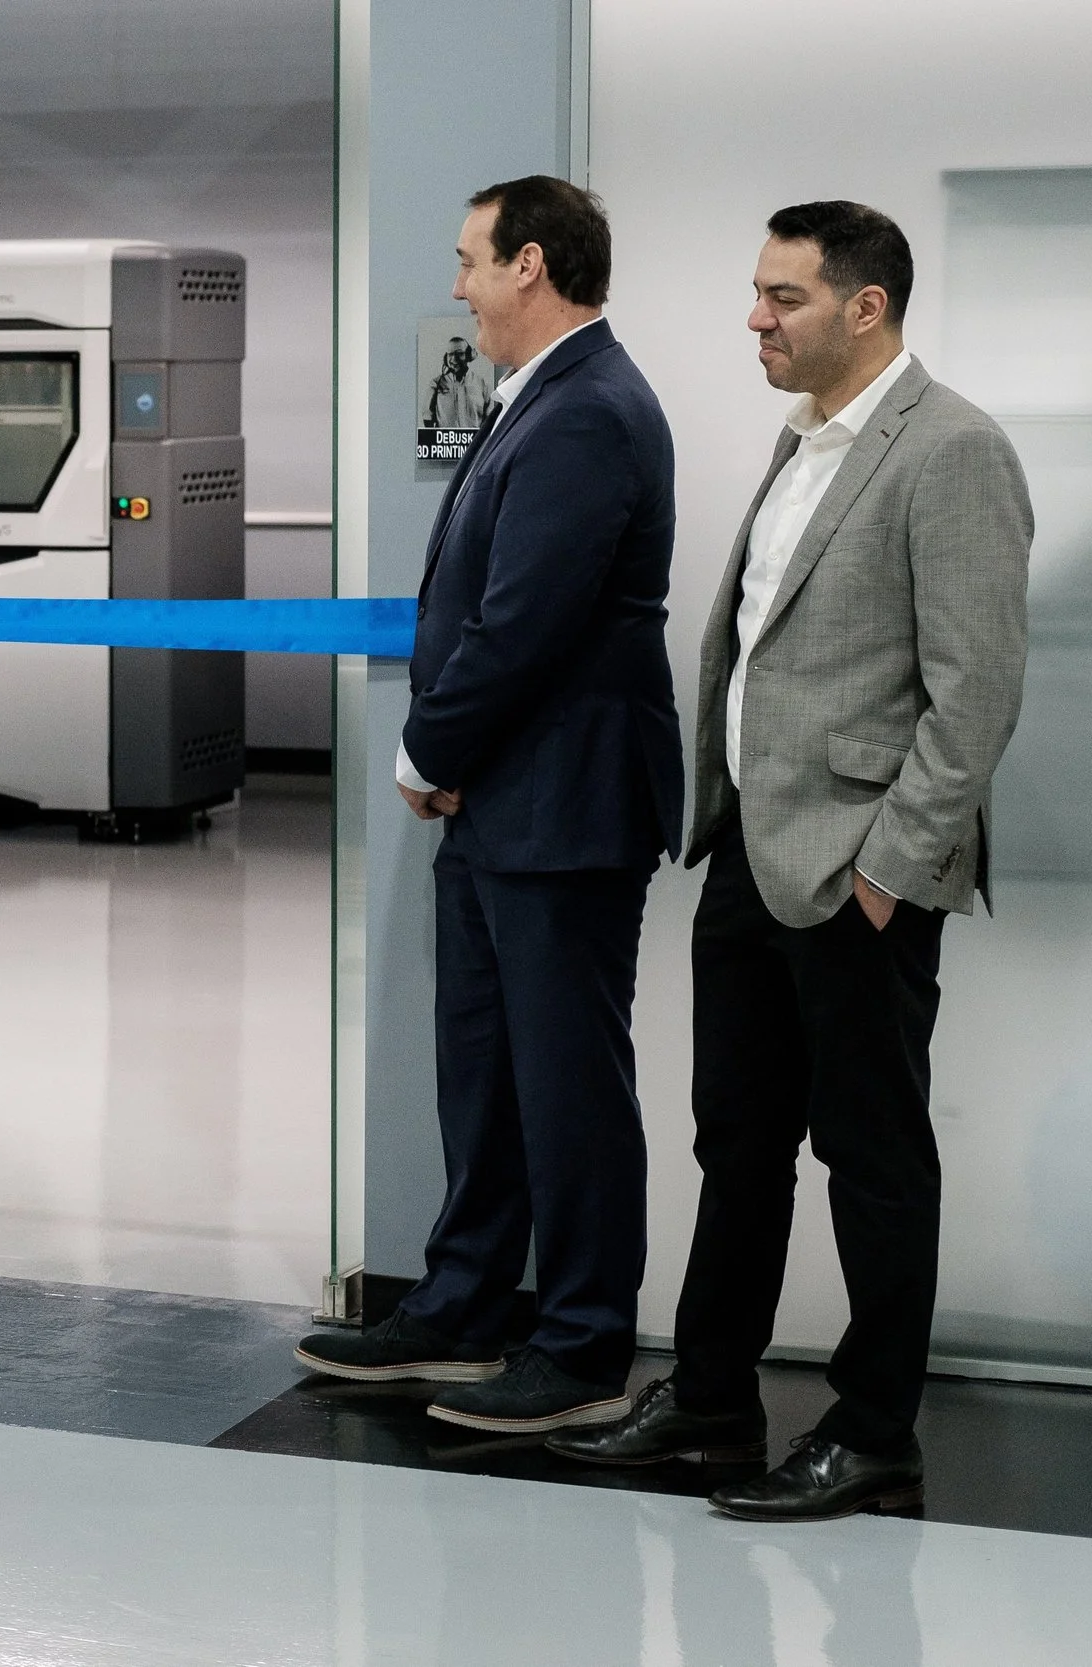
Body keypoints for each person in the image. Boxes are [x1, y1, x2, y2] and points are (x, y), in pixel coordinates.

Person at [551, 202, 1031, 1522]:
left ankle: (876, 1430)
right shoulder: (802, 440)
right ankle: (711, 1402)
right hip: (753, 857)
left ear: (866, 305)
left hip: (859, 872)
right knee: (739, 1140)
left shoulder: (953, 450)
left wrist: (890, 866)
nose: (755, 319)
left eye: (784, 297)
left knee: (873, 1152)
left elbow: (974, 691)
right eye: (758, 293)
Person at [294, 176, 682, 1433]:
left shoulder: (587, 411)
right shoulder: (543, 403)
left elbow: (525, 623)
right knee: (489, 1066)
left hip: (562, 802)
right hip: (510, 798)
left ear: (529, 265)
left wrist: (425, 748)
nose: (455, 287)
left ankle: (579, 1345)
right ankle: (464, 1306)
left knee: (565, 1078)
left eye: (467, 262)